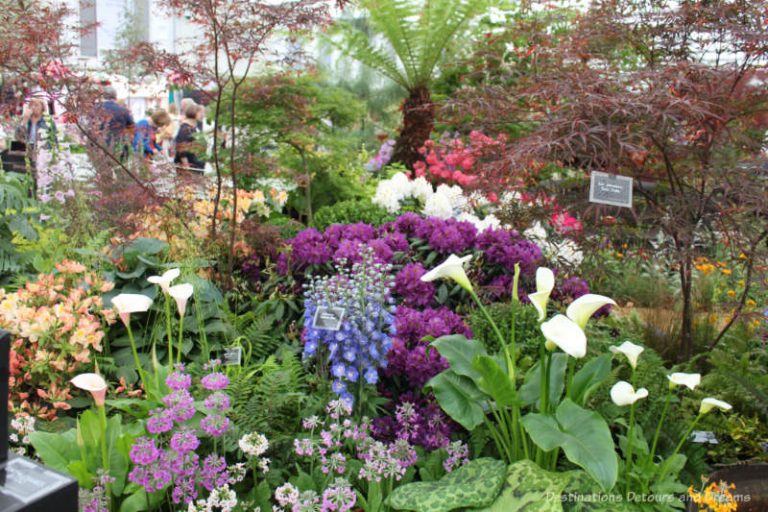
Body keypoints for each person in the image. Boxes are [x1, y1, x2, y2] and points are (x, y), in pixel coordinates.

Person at [96, 85, 134, 158]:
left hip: (99, 147)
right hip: (119, 147)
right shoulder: (123, 110)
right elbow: (131, 127)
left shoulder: (94, 109)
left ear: (102, 96)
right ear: (115, 96)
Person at [174, 103, 205, 172]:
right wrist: (185, 163)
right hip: (189, 166)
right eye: (200, 112)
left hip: (197, 164)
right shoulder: (185, 129)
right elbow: (181, 148)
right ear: (193, 112)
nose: (203, 115)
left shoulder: (195, 128)